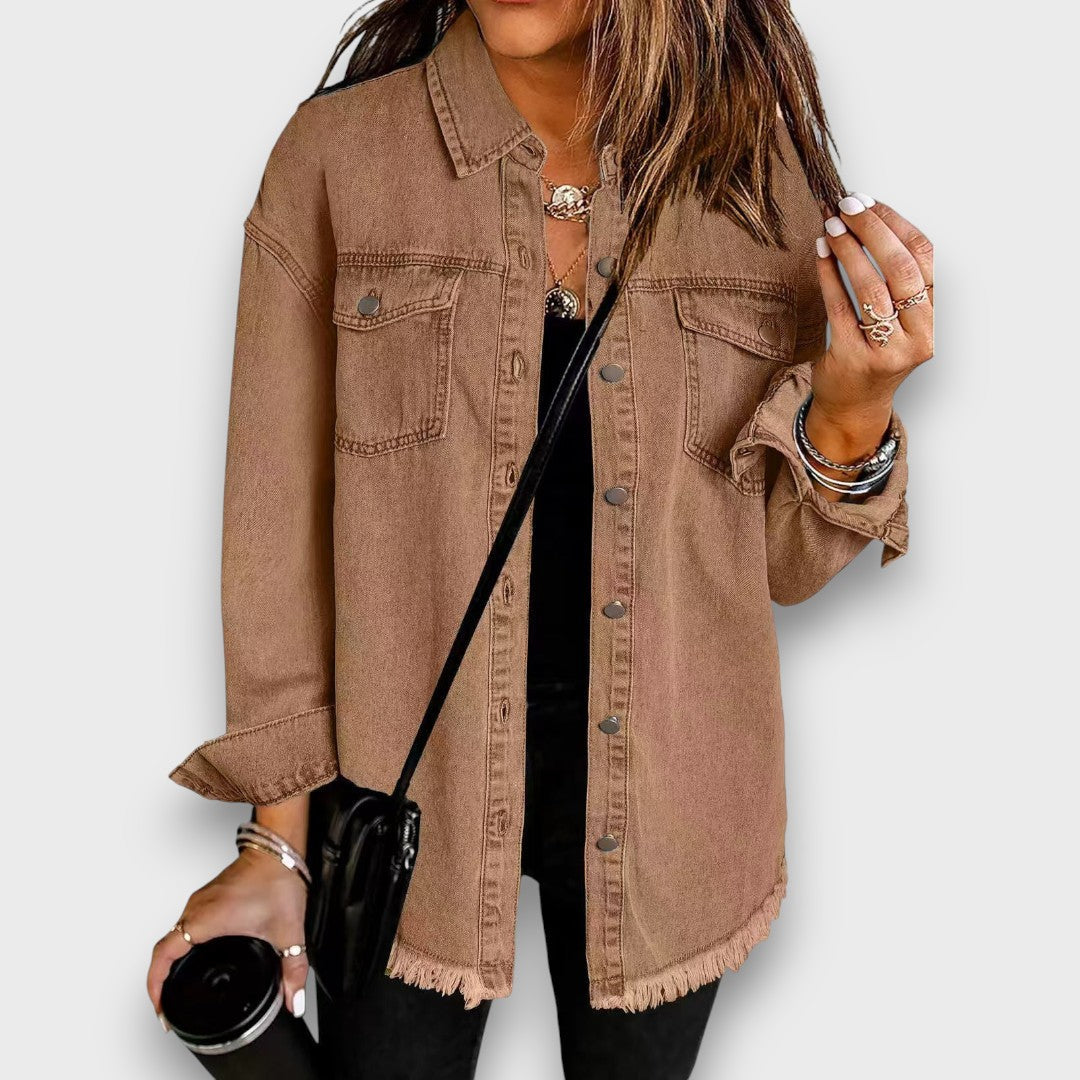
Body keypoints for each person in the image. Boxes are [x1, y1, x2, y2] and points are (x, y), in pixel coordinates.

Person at [147, 1, 934, 1077]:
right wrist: (274, 844)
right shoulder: (338, 158)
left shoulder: (758, 181)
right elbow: (274, 533)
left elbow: (785, 570)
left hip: (676, 805)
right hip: (401, 788)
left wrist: (857, 405)